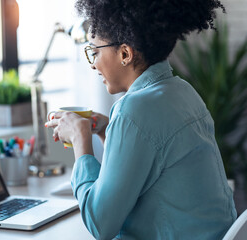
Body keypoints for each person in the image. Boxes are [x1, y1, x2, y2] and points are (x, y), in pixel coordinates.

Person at [45, 0, 237, 239]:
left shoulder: (133, 110)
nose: (93, 64)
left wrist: (79, 141)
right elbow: (143, 173)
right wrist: (108, 131)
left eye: (95, 51)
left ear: (125, 53)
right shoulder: (183, 91)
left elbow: (100, 224)